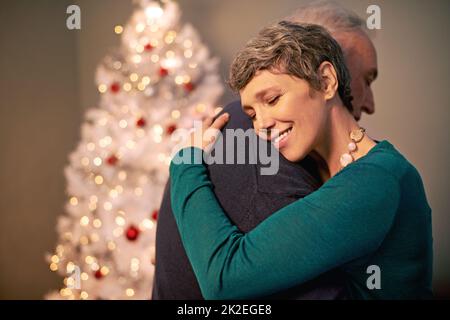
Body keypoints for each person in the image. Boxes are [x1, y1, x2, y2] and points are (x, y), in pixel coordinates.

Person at [169, 21, 433, 299]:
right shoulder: (309, 171)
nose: (262, 125)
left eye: (272, 99)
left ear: (327, 81)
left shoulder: (379, 179)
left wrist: (184, 163)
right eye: (252, 115)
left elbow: (224, 281)